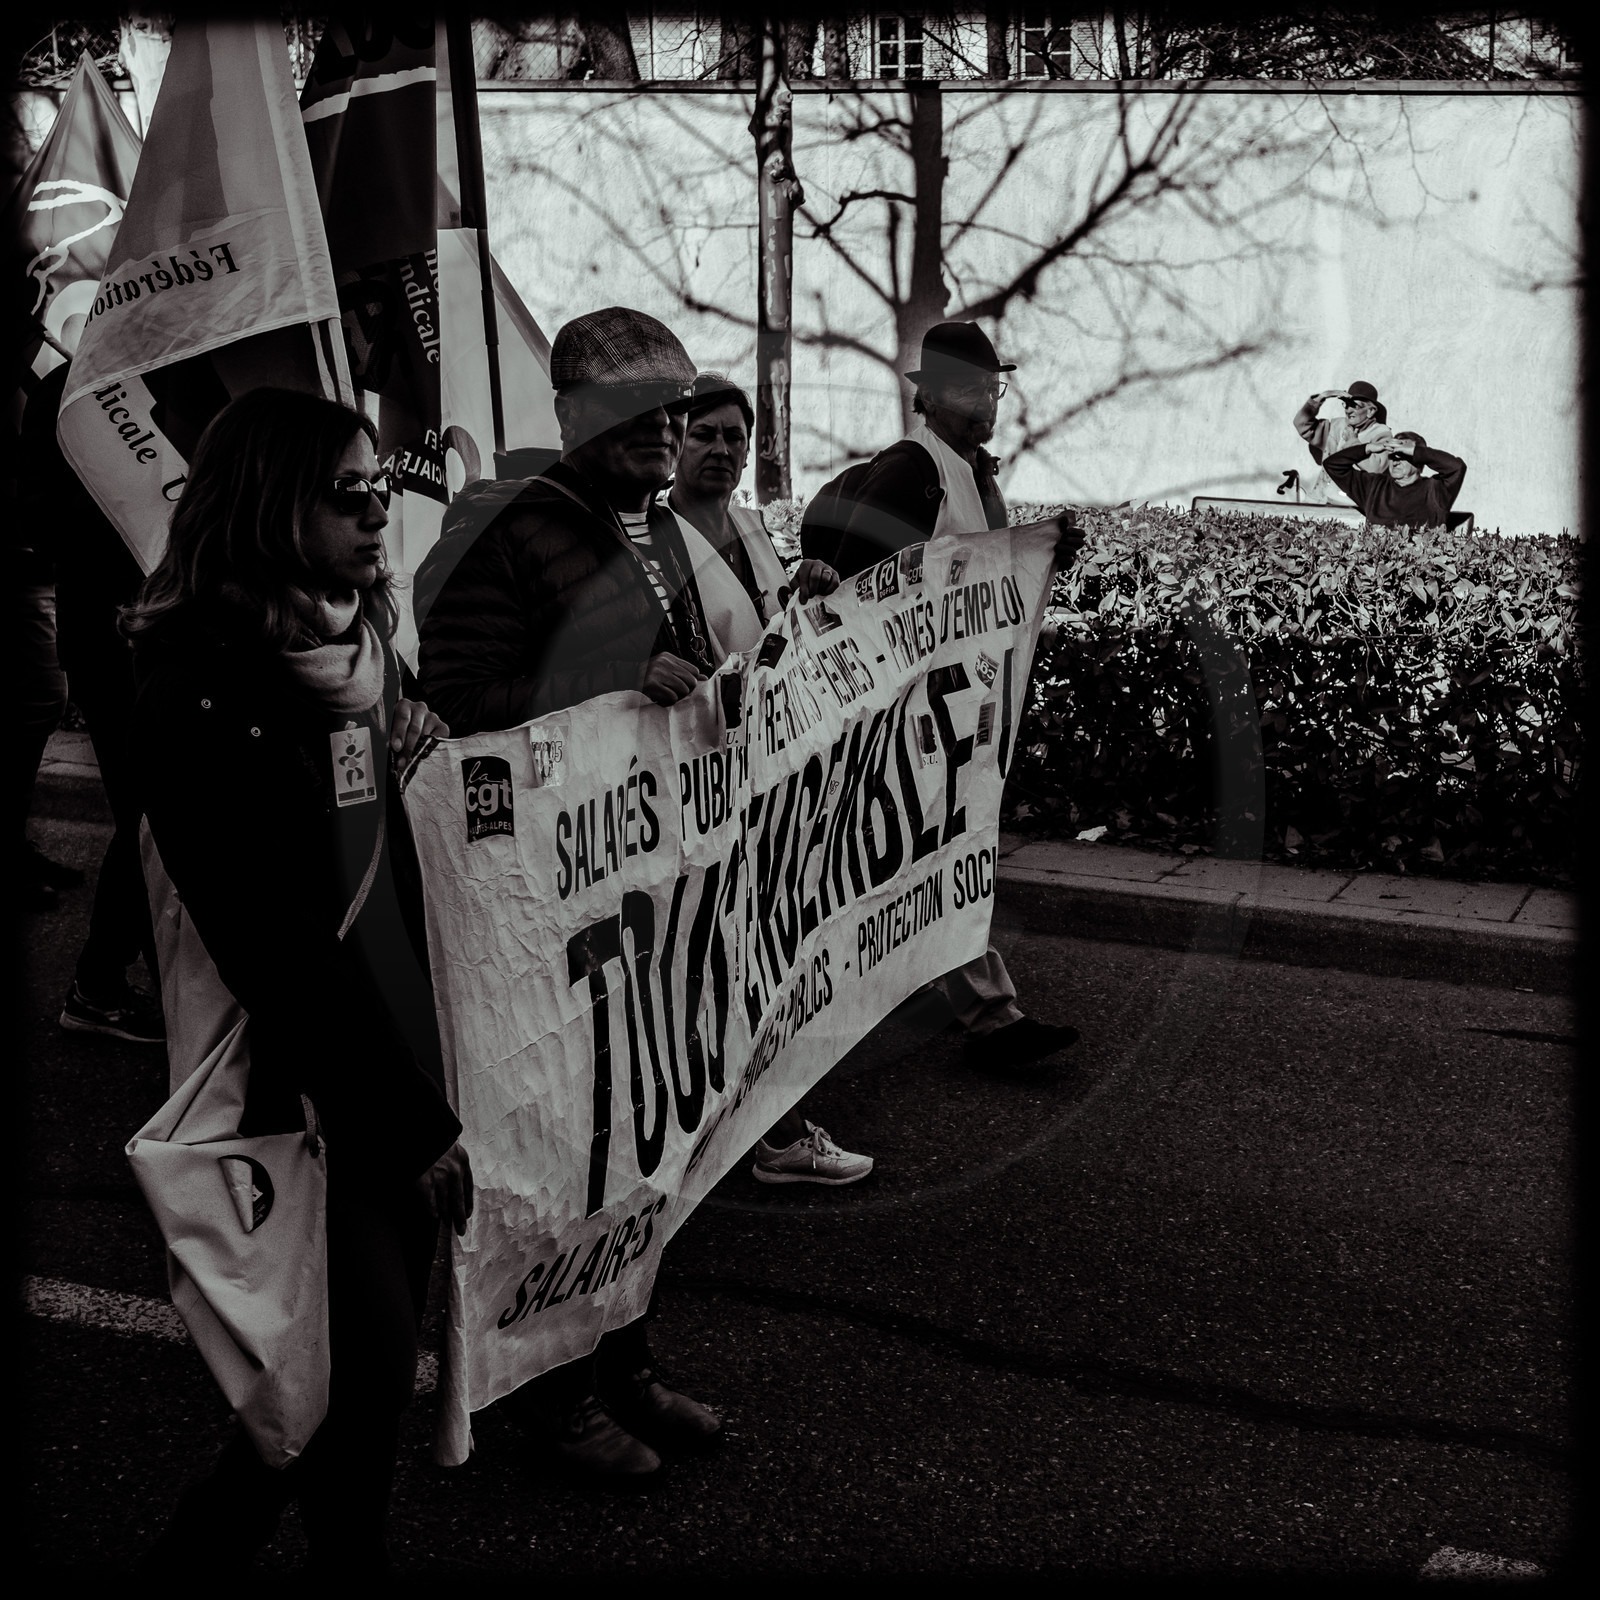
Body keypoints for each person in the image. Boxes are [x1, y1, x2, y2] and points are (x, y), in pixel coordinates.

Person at [127, 388, 472, 1574]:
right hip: (304, 1079)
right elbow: (269, 936)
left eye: (381, 489)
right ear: (269, 500)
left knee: (336, 1382)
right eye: (347, 493)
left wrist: (410, 739)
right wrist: (408, 1117)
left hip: (391, 1044)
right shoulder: (197, 680)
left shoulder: (360, 648)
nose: (379, 514)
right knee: (353, 1376)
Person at [418, 306, 727, 1484]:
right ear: (573, 419)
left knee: (635, 1144)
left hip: (632, 895)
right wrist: (619, 678)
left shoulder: (642, 523)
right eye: (635, 415)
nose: (663, 431)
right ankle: (547, 1402)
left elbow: (669, 675)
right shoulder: (502, 528)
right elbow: (455, 705)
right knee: (559, 1153)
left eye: (674, 410)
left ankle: (623, 1360)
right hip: (537, 913)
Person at [803, 320, 1082, 1076]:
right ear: (941, 395)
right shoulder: (915, 471)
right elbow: (861, 586)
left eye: (994, 386)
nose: (992, 400)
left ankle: (915, 995)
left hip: (953, 708)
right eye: (979, 387)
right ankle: (991, 1013)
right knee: (935, 854)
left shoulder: (969, 471)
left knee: (919, 857)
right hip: (915, 711)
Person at [667, 371, 873, 1187]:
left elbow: (773, 625)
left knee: (759, 949)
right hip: (700, 778)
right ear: (674, 443)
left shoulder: (750, 527)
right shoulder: (655, 539)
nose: (721, 450)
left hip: (765, 774)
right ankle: (752, 1129)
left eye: (733, 437)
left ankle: (763, 1125)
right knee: (714, 956)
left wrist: (808, 588)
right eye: (704, 434)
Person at [20, 359, 164, 1042]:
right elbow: (45, 518)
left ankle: (122, 979)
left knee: (159, 809)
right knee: (156, 811)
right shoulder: (75, 389)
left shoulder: (168, 370)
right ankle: (98, 982)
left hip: (145, 626)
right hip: (115, 634)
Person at [1324, 430, 1467, 529]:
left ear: (1419, 460)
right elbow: (1333, 465)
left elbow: (1457, 467)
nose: (1395, 462)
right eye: (1392, 455)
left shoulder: (1436, 490)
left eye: (1403, 456)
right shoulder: (1374, 487)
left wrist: (1414, 450)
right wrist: (1368, 448)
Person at [1292, 380, 1393, 505]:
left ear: (1371, 411)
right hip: (1318, 500)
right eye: (1346, 404)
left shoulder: (1381, 434)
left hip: (1348, 505)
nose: (1348, 410)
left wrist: (1352, 441)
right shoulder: (1337, 426)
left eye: (1355, 406)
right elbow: (1302, 424)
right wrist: (1322, 397)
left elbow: (1375, 467)